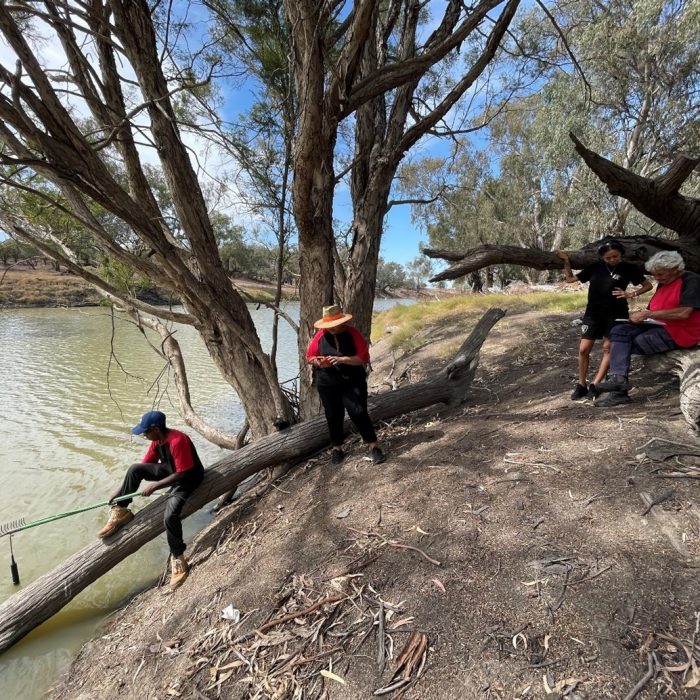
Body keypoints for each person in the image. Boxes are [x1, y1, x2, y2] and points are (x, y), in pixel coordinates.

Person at [97, 410, 205, 590]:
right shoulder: (157, 441)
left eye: (145, 432)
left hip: (188, 478)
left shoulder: (178, 440)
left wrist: (155, 486)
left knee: (170, 516)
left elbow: (183, 473)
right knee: (134, 469)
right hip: (172, 471)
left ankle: (178, 560)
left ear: (155, 429)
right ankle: (121, 511)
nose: (144, 435)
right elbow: (142, 467)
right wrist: (119, 493)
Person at [595, 250, 700, 407]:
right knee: (618, 331)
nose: (656, 279)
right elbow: (654, 308)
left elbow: (684, 313)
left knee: (634, 342)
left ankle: (618, 387)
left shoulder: (692, 280)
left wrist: (650, 314)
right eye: (655, 275)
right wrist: (641, 317)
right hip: (658, 324)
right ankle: (618, 383)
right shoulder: (665, 282)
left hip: (683, 331)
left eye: (660, 274)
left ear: (676, 268)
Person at [557, 241, 651, 400]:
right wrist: (566, 261)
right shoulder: (595, 267)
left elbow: (648, 285)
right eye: (608, 257)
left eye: (616, 256)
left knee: (608, 348)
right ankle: (581, 384)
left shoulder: (628, 268)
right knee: (583, 349)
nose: (612, 259)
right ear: (602, 257)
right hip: (593, 313)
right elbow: (570, 280)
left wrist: (631, 294)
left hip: (617, 313)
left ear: (621, 254)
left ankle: (595, 385)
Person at [306, 304, 385, 466]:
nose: (332, 329)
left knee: (358, 411)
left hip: (352, 380)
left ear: (342, 322)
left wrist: (343, 360)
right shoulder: (320, 335)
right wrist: (320, 362)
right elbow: (310, 357)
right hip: (327, 383)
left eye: (335, 325)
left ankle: (373, 446)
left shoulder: (352, 333)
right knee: (333, 415)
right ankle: (337, 448)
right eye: (329, 326)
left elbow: (363, 358)